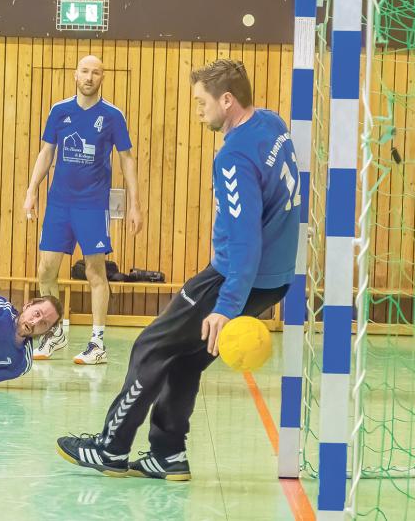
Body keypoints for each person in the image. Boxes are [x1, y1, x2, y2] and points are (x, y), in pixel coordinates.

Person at [55, 59, 299, 480]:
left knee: (150, 345)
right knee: (186, 359)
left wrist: (225, 306)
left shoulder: (233, 158)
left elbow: (244, 242)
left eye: (202, 102)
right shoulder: (272, 124)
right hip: (274, 279)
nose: (198, 110)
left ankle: (111, 448)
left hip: (236, 276)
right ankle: (167, 453)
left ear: (227, 100)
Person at [23, 54, 142, 365]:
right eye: (85, 72)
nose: (90, 77)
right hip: (59, 203)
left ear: (103, 78)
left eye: (96, 73)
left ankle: (97, 341)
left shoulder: (113, 116)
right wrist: (31, 190)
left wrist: (135, 205)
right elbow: (46, 152)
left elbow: (127, 158)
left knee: (95, 271)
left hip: (92, 205)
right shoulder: (59, 111)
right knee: (46, 269)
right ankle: (54, 333)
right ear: (75, 75)